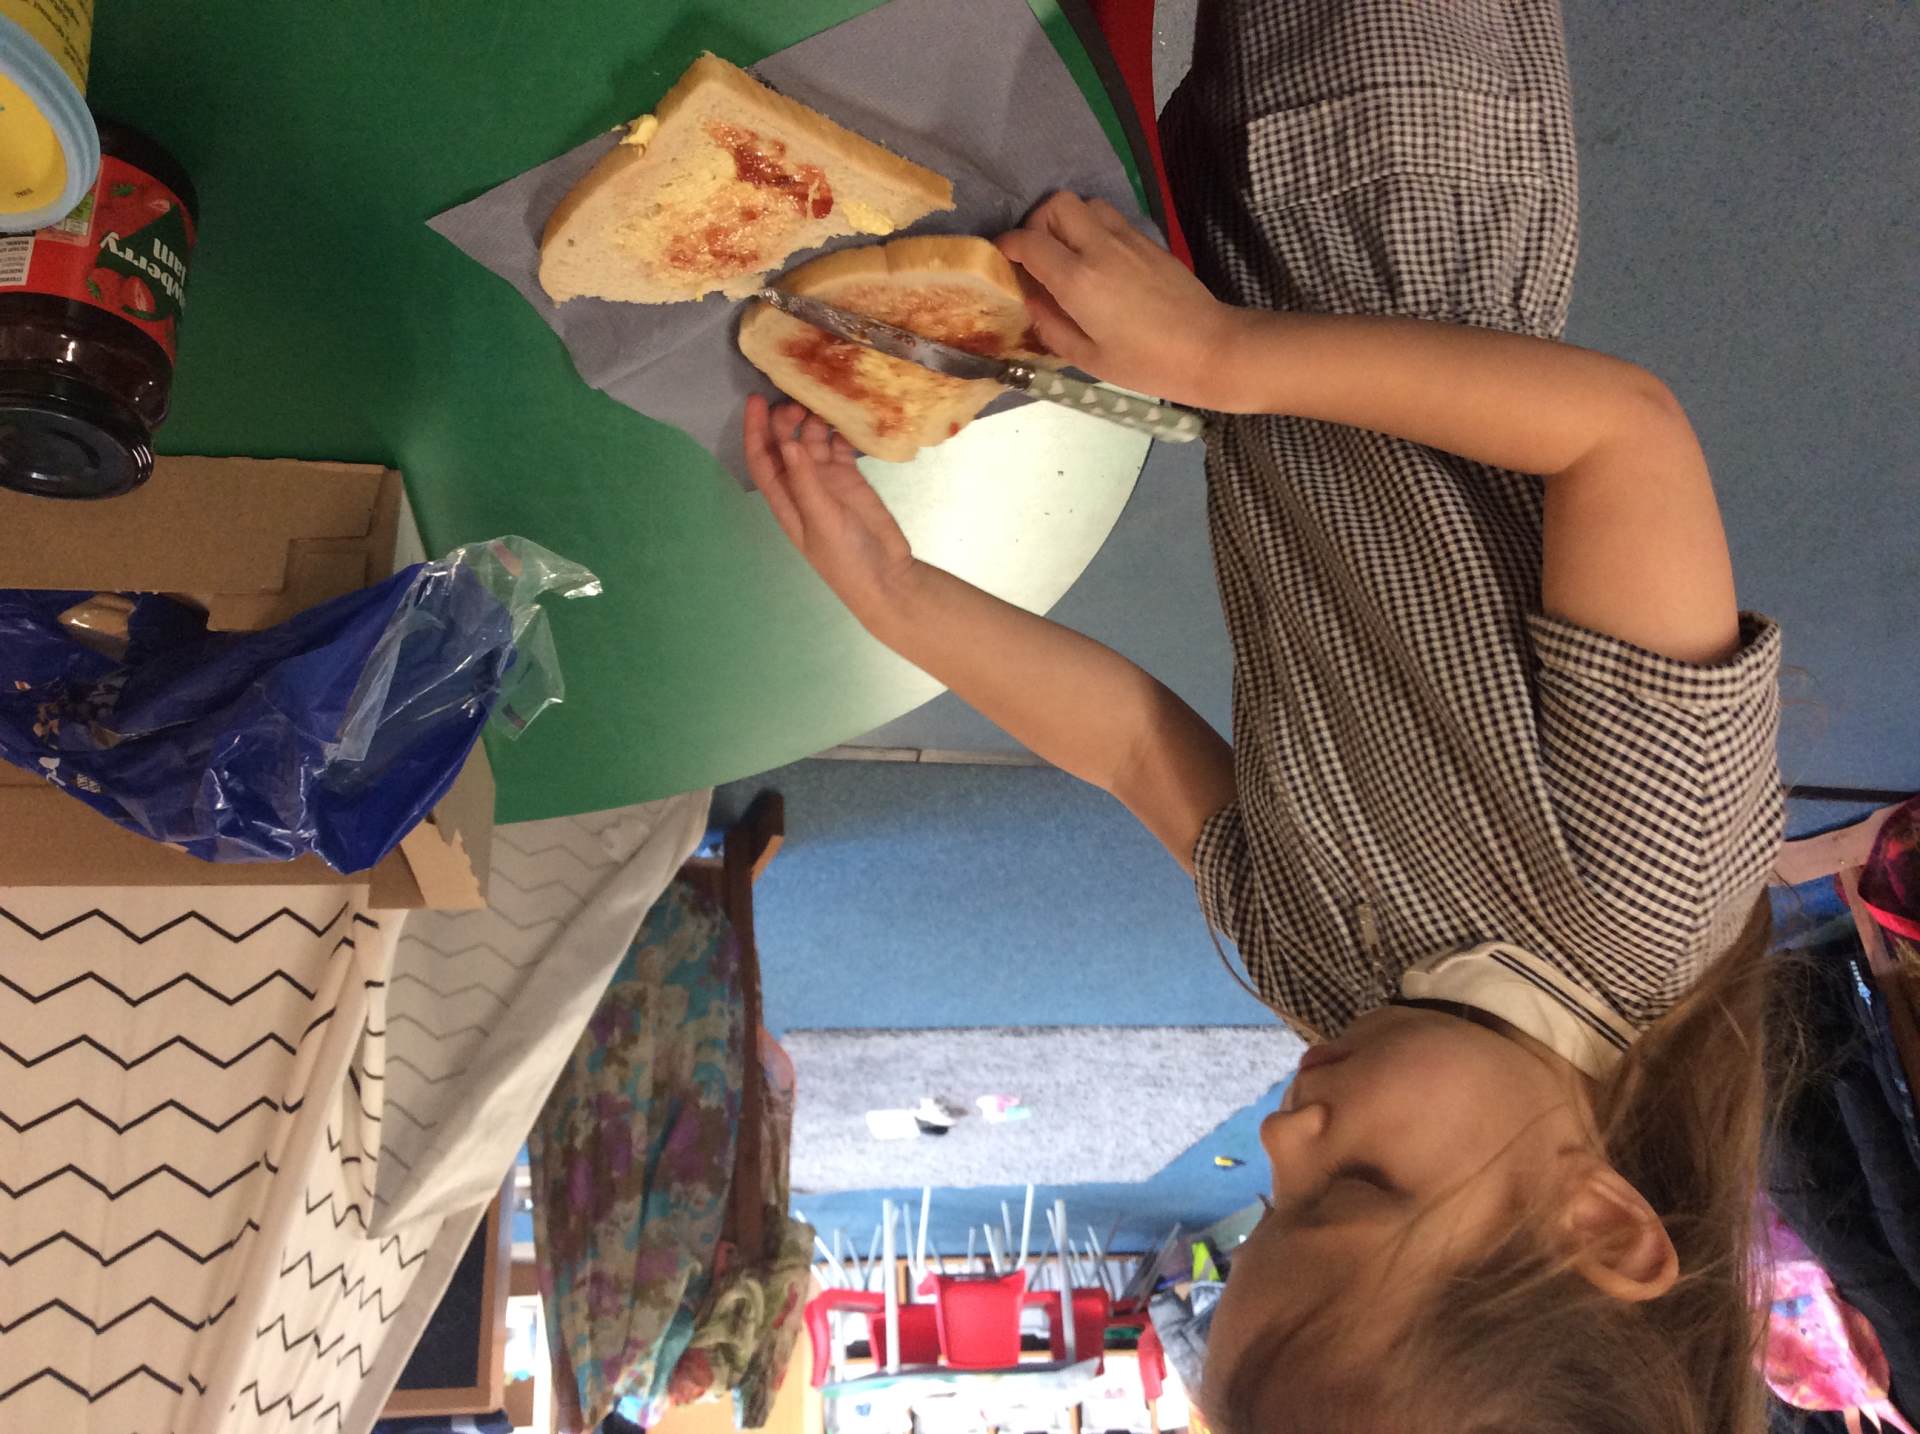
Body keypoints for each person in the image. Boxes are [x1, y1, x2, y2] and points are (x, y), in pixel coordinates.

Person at [741, 0, 1788, 1428]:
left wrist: (899, 598)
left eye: (1271, 1211)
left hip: (1234, 263)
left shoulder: (1332, 988)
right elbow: (1622, 437)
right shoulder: (1651, 890)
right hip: (1408, 183)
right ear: (1600, 1222)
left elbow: (1129, 745)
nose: (1287, 1132)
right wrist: (1221, 361)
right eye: (1352, 1190)